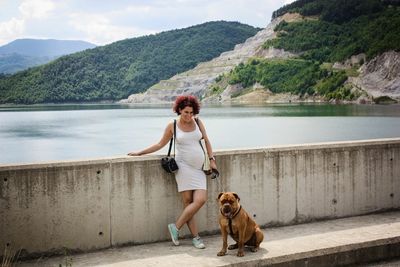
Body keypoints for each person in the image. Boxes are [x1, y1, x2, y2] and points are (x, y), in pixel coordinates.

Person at [127, 95, 217, 249]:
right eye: (186, 112)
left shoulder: (198, 121)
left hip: (199, 168)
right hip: (183, 168)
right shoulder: (173, 125)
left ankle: (176, 227)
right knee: (189, 203)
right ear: (179, 110)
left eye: (191, 112)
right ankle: (196, 238)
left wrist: (212, 159)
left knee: (200, 200)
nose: (189, 116)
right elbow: (160, 144)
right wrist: (140, 152)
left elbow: (207, 140)